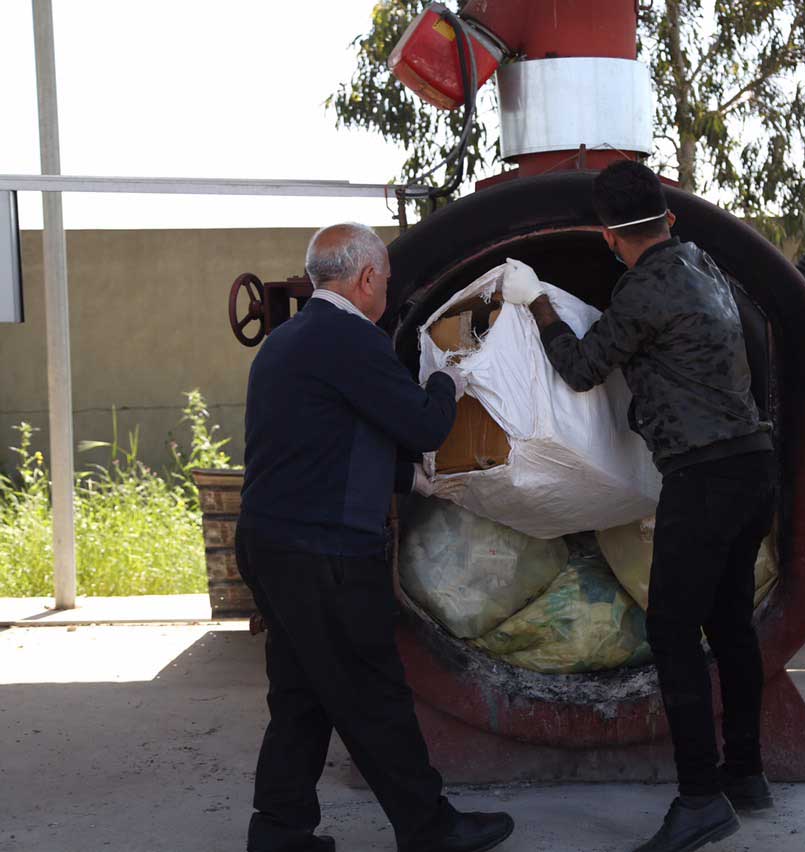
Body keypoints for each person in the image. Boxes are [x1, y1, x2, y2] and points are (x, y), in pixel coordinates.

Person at [499, 162, 777, 852]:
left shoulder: (642, 289)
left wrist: (537, 304)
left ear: (607, 236)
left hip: (703, 477)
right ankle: (747, 772)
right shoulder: (706, 266)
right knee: (732, 624)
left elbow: (581, 367)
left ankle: (700, 797)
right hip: (754, 465)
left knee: (673, 632)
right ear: (671, 221)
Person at [236, 222, 515, 852]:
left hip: (269, 543)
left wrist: (406, 483)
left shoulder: (286, 342)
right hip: (325, 552)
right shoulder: (351, 340)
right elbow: (422, 425)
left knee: (302, 692)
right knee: (374, 693)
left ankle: (278, 832)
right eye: (385, 279)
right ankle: (429, 829)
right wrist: (449, 375)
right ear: (365, 279)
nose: (385, 288)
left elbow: (327, 440)